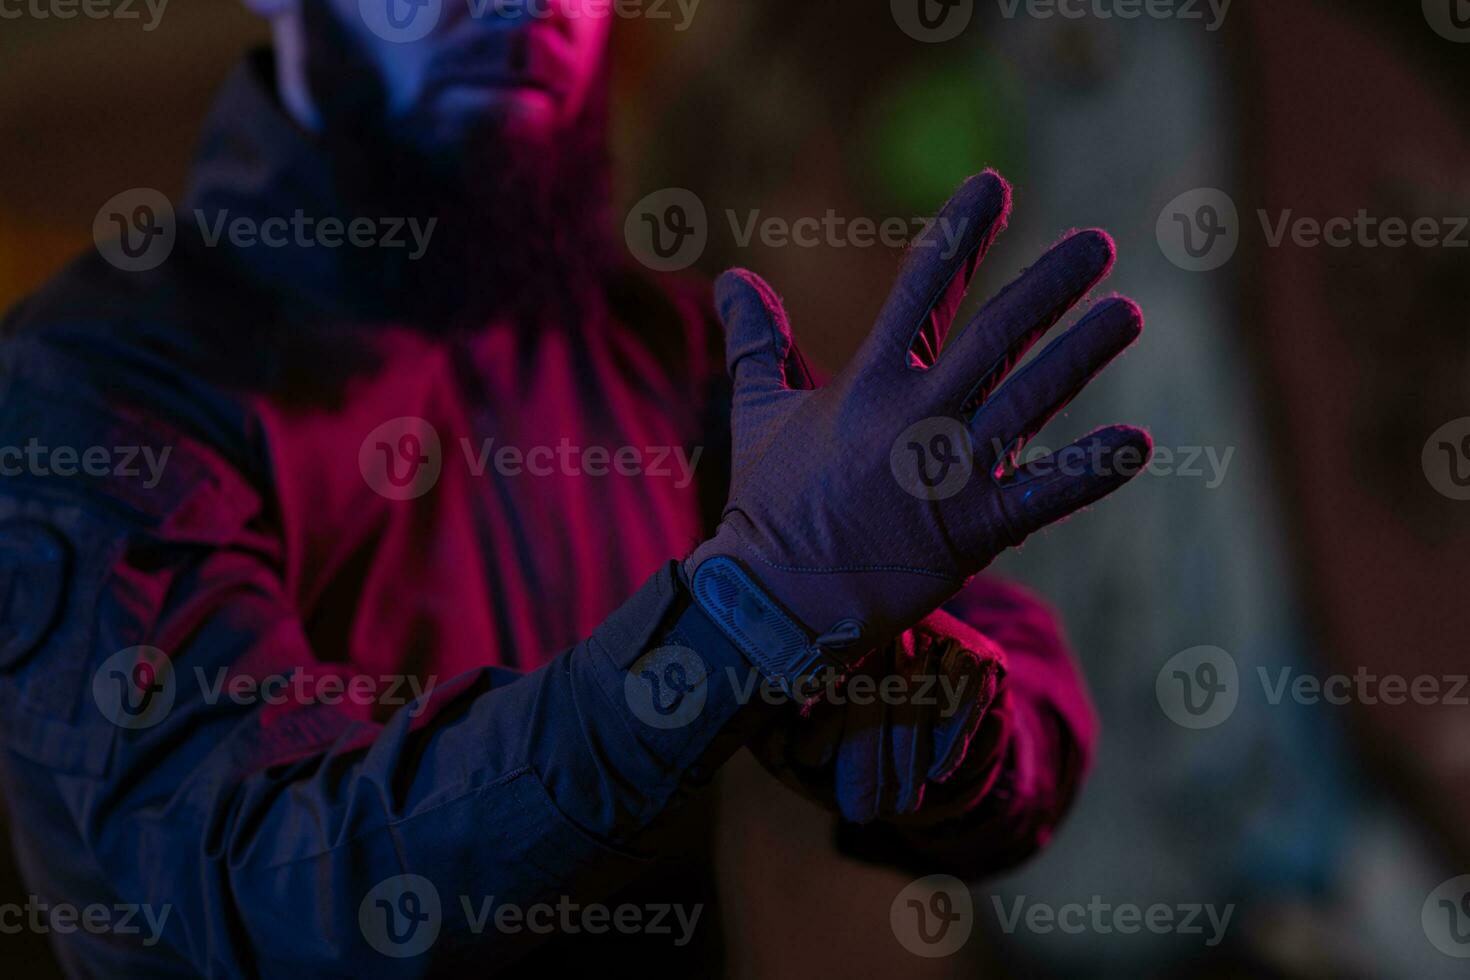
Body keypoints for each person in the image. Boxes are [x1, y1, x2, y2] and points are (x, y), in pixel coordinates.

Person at [0, 0, 1150, 973]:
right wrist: (741, 624)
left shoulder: (661, 346)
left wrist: (916, 700)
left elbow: (1033, 741)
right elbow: (250, 889)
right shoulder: (96, 389)